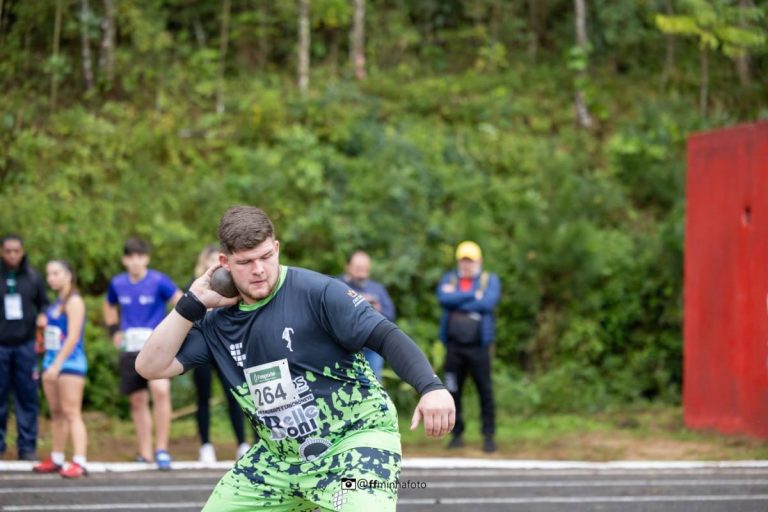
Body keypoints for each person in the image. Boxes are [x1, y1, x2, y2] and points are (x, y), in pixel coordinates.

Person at [136, 206, 454, 511]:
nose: (259, 270)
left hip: (355, 442)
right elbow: (149, 366)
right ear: (224, 263)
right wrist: (191, 305)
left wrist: (431, 387)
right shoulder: (216, 323)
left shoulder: (318, 292)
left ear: (276, 248)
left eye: (265, 256)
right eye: (245, 262)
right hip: (279, 460)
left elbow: (385, 335)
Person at [103, 238, 182, 470]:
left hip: (156, 346)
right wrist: (114, 330)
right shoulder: (118, 283)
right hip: (130, 347)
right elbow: (108, 305)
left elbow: (182, 301)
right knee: (137, 400)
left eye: (139, 256)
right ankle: (145, 452)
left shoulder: (158, 281)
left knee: (161, 391)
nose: (135, 261)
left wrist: (172, 331)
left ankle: (162, 449)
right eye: (130, 257)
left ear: (146, 258)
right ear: (124, 260)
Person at [437, 241, 500, 453]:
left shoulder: (489, 280)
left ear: (479, 261)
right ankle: (456, 434)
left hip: (478, 348)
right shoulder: (449, 278)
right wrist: (473, 295)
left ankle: (488, 435)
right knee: (452, 391)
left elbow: (487, 303)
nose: (466, 265)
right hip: (454, 347)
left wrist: (456, 301)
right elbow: (444, 299)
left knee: (485, 391)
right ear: (458, 261)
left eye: (470, 261)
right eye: (463, 260)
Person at [190, 245, 252, 464]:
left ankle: (242, 444)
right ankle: (205, 445)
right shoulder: (195, 287)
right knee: (203, 397)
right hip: (202, 348)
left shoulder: (233, 288)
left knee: (234, 395)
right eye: (210, 261)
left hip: (225, 348)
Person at [32, 260, 89, 478]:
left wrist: (57, 364)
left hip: (70, 364)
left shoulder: (75, 301)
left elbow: (73, 336)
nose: (51, 278)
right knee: (56, 413)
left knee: (72, 412)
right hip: (50, 363)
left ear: (68, 275)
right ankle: (57, 458)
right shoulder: (55, 303)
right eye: (49, 274)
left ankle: (79, 461)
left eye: (56, 273)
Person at [0, 234, 48, 461]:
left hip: (26, 345)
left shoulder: (33, 277)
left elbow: (44, 303)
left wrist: (43, 316)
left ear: (22, 251)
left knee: (27, 397)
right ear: (2, 252)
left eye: (16, 251)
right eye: (8, 251)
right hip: (1, 345)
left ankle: (27, 446)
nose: (12, 255)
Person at [338, 251, 396, 381]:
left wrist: (375, 309)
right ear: (347, 267)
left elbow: (390, 315)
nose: (362, 273)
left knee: (373, 383)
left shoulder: (377, 289)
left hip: (372, 348)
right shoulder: (337, 285)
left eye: (365, 268)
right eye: (358, 268)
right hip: (344, 347)